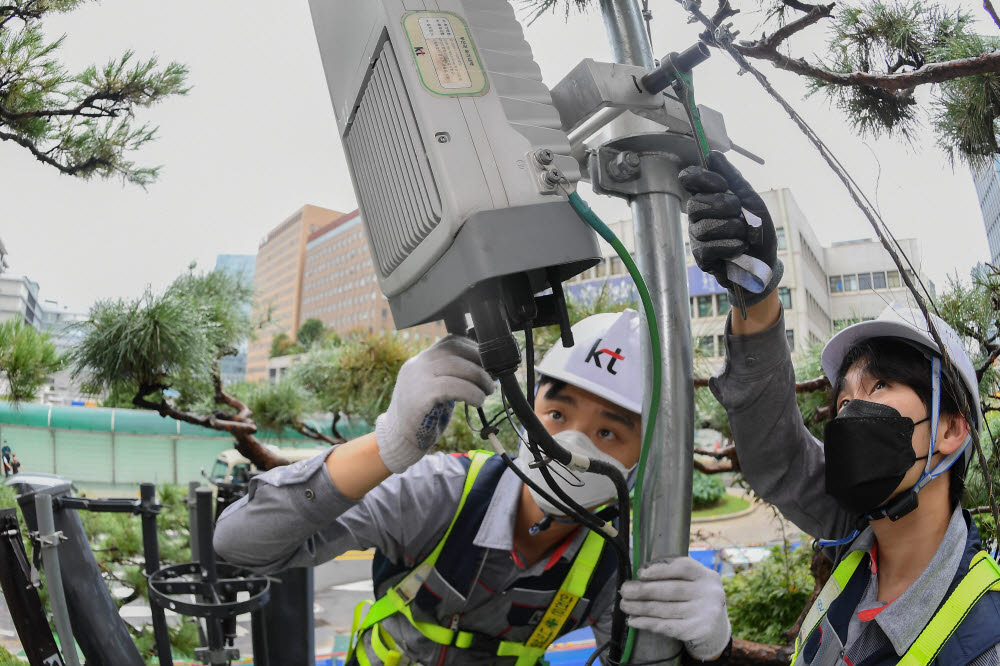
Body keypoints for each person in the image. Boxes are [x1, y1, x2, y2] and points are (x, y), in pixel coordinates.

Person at [214, 311, 732, 665]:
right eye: (555, 413)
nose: (571, 443)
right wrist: (386, 446)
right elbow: (240, 544)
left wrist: (708, 647)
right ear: (526, 414)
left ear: (643, 461)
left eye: (608, 432)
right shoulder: (443, 494)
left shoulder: (615, 564)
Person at [680, 151, 1000, 665]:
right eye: (844, 398)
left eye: (878, 388)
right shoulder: (848, 533)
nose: (850, 411)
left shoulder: (987, 640)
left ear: (951, 429)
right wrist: (755, 298)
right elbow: (775, 453)